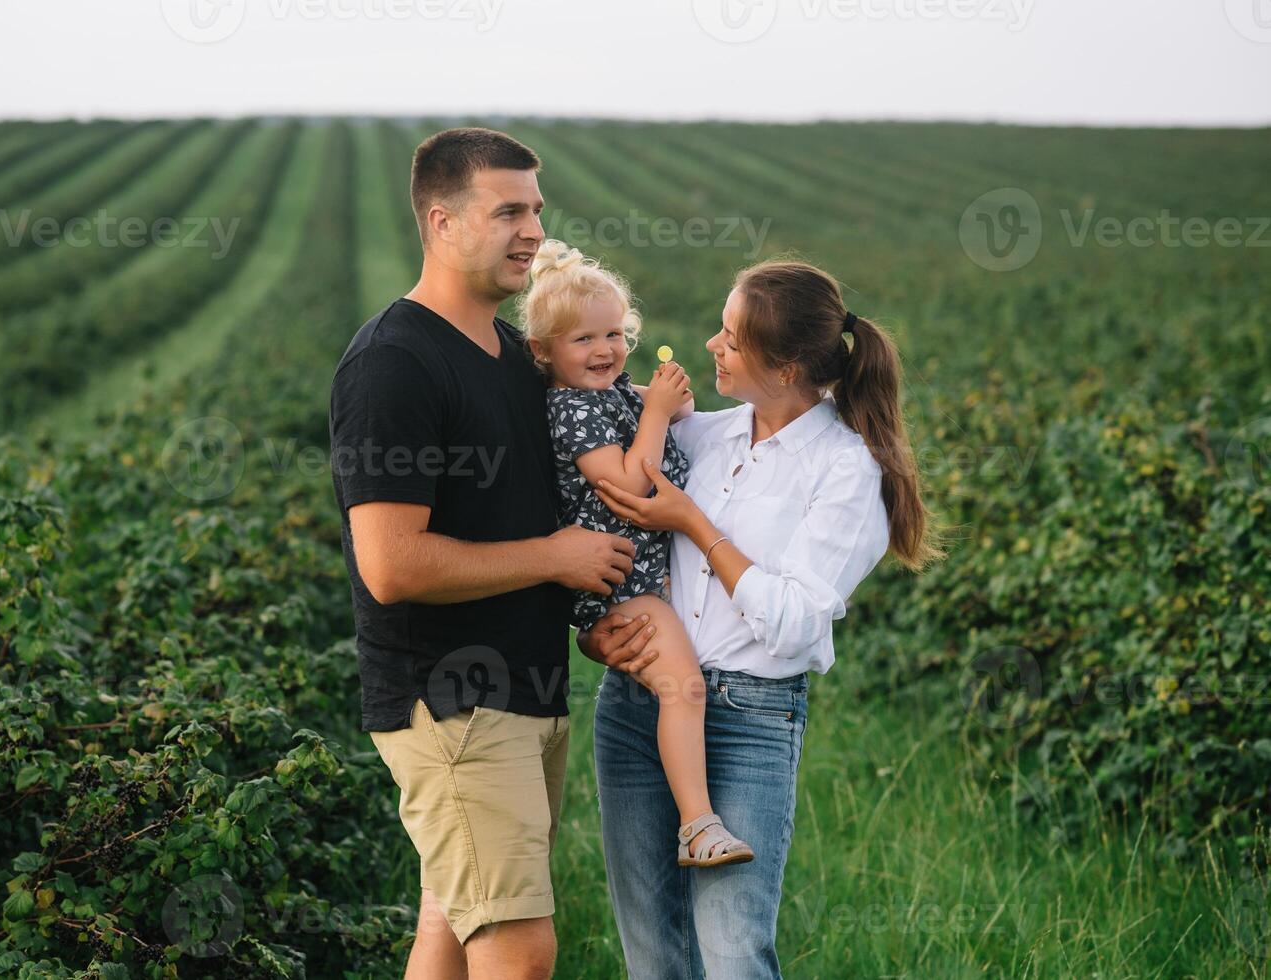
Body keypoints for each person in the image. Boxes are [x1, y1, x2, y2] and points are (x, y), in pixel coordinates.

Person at [579, 259, 944, 979]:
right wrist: (596, 631)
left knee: (734, 954)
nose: (712, 344)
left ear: (784, 369)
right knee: (651, 955)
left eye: (732, 338)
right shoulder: (705, 436)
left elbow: (794, 622)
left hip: (748, 715)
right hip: (638, 704)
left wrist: (694, 520)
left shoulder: (847, 470)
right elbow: (614, 519)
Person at [327, 127, 635, 980]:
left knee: (450, 925)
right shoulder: (395, 363)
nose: (533, 230)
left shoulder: (512, 354)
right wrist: (555, 558)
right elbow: (391, 565)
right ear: (442, 222)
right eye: (508, 211)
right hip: (451, 696)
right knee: (518, 945)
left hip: (524, 688)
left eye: (536, 209)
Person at [518, 237, 755, 868]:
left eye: (614, 334)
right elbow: (627, 485)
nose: (605, 351)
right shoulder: (570, 408)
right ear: (543, 352)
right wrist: (654, 412)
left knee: (679, 689)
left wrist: (666, 405)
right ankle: (698, 826)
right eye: (584, 341)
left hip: (650, 582)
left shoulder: (617, 393)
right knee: (685, 688)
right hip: (622, 587)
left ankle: (692, 822)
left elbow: (669, 430)